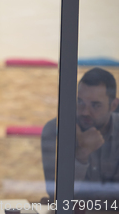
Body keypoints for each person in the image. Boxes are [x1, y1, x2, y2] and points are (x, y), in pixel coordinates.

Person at [41, 67, 119, 202]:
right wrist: (81, 154)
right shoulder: (54, 130)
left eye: (95, 105)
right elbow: (57, 196)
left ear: (113, 105)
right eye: (80, 102)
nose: (84, 112)